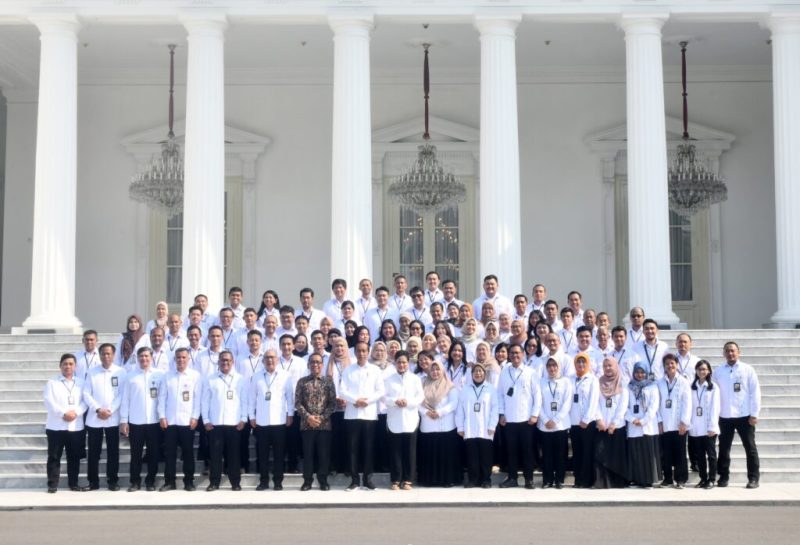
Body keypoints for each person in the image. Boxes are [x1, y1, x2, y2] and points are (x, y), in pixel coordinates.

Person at [715, 341, 761, 489]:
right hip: (725, 416)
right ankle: (723, 476)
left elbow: (755, 393)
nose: (730, 353)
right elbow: (714, 394)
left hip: (744, 415)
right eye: (727, 351)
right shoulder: (718, 371)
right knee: (723, 448)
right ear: (724, 354)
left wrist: (754, 414)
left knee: (750, 448)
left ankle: (753, 478)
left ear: (739, 352)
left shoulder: (747, 369)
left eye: (733, 351)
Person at [340, 342, 385, 490]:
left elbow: (380, 391)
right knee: (352, 448)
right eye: (358, 350)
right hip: (352, 415)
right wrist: (355, 400)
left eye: (364, 351)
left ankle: (367, 479)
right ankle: (354, 480)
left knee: (368, 448)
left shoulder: (375, 370)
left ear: (368, 352)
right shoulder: (348, 370)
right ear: (355, 352)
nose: (361, 353)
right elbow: (342, 390)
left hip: (369, 414)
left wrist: (367, 401)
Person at [249, 350, 295, 491]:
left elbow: (290, 397)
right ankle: (263, 481)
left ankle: (277, 481)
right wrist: (252, 416)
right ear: (263, 360)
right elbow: (252, 398)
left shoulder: (285, 376)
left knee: (279, 454)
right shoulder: (256, 377)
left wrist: (290, 415)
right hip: (261, 422)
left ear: (277, 359)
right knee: (262, 454)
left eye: (272, 357)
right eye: (267, 357)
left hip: (279, 421)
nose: (270, 360)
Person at [120, 347, 164, 491]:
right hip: (136, 421)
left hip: (154, 421)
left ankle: (150, 481)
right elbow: (125, 399)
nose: (144, 359)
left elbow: (163, 398)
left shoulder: (159, 375)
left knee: (153, 453)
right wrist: (123, 420)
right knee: (136, 453)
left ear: (151, 358)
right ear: (137, 358)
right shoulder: (130, 376)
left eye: (146, 356)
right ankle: (135, 481)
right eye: (141, 357)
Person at [202, 350, 248, 491]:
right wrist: (206, 420)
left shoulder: (240, 379)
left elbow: (245, 400)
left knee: (234, 455)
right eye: (222, 360)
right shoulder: (210, 379)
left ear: (232, 362)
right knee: (215, 455)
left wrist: (243, 418)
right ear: (219, 362)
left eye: (228, 360)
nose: (225, 362)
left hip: (234, 424)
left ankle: (235, 482)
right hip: (215, 424)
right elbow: (205, 401)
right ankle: (214, 482)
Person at [157, 347, 202, 491]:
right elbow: (162, 397)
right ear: (174, 359)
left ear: (188, 359)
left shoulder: (195, 376)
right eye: (178, 357)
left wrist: (195, 417)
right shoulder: (167, 376)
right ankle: (170, 481)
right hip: (170, 421)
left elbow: (197, 399)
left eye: (184, 357)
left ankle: (189, 481)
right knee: (170, 453)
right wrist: (162, 416)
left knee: (188, 453)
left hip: (187, 421)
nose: (181, 360)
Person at [44, 354, 89, 493]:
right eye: (65, 364)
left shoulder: (82, 382)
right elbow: (49, 401)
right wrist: (64, 413)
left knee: (74, 457)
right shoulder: (52, 383)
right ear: (60, 366)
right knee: (54, 456)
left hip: (76, 426)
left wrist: (75, 413)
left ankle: (73, 483)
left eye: (70, 364)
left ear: (75, 366)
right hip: (56, 426)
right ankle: (52, 484)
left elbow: (85, 401)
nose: (68, 366)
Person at [83, 343, 126, 491]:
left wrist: (111, 410)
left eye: (109, 354)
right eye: (103, 354)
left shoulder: (121, 372)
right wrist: (97, 409)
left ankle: (112, 481)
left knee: (113, 452)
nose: (106, 356)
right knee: (94, 452)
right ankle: (93, 482)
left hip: (112, 419)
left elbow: (122, 394)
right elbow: (86, 393)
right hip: (95, 419)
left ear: (113, 355)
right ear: (99, 355)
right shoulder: (92, 372)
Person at [497, 344, 540, 489]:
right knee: (511, 451)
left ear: (522, 354)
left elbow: (537, 395)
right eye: (512, 353)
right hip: (509, 419)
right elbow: (500, 394)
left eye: (517, 353)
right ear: (509, 355)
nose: (515, 355)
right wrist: (501, 413)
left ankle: (529, 479)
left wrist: (534, 414)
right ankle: (512, 478)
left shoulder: (530, 372)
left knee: (527, 451)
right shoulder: (504, 372)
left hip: (526, 419)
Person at [295, 353, 337, 491]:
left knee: (323, 454)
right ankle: (307, 481)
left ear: (322, 365)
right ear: (308, 365)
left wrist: (321, 418)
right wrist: (308, 417)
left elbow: (332, 403)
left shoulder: (328, 381)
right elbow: (298, 403)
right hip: (306, 425)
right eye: (312, 362)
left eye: (318, 362)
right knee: (308, 454)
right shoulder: (302, 382)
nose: (315, 365)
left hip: (324, 425)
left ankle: (323, 480)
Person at [418, 356, 462, 487]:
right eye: (433, 370)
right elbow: (418, 402)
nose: (435, 372)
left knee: (446, 455)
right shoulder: (422, 384)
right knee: (430, 454)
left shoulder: (449, 386)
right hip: (428, 424)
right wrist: (426, 412)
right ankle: (429, 480)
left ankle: (447, 480)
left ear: (442, 371)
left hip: (446, 425)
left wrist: (440, 412)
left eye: (438, 370)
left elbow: (454, 403)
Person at [383, 351, 424, 490]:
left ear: (408, 363)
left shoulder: (415, 379)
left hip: (410, 419)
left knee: (410, 451)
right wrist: (395, 401)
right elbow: (384, 398)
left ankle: (408, 479)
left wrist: (408, 402)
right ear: (395, 363)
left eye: (404, 362)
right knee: (395, 451)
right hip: (394, 419)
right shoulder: (389, 380)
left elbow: (420, 397)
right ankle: (395, 479)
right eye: (399, 362)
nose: (401, 365)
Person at [457, 363, 499, 488]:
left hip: (486, 428)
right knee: (472, 456)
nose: (478, 373)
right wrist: (460, 427)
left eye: (480, 371)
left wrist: (492, 425)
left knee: (486, 456)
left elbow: (495, 408)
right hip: (469, 427)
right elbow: (460, 410)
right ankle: (473, 480)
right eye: (475, 371)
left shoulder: (491, 389)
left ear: (484, 374)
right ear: (472, 374)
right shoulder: (465, 389)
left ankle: (486, 480)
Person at [656, 353, 692, 489]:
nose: (670, 366)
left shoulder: (683, 382)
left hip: (679, 425)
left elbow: (687, 403)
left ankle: (681, 479)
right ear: (664, 366)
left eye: (672, 363)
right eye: (667, 364)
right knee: (666, 453)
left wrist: (684, 422)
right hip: (665, 423)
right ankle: (668, 479)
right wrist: (659, 422)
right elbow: (657, 403)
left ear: (677, 365)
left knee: (680, 453)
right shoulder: (659, 382)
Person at [594, 357, 629, 489]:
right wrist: (599, 420)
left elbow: (623, 405)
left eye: (610, 365)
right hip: (601, 426)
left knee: (616, 455)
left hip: (617, 427)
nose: (608, 368)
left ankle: (617, 482)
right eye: (605, 366)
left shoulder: (622, 383)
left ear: (616, 366)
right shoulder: (598, 382)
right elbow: (595, 403)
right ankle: (602, 482)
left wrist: (614, 423)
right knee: (601, 454)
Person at [538, 357, 573, 488]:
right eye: (549, 366)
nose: (552, 368)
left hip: (561, 425)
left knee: (560, 454)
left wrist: (556, 419)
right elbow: (538, 402)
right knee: (547, 454)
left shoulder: (566, 382)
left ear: (559, 367)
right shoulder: (541, 382)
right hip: (545, 424)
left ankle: (559, 479)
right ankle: (547, 480)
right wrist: (546, 419)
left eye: (555, 366)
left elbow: (567, 403)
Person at [625, 362, 661, 488]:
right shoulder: (628, 387)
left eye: (642, 372)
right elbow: (625, 406)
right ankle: (635, 478)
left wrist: (643, 420)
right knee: (635, 453)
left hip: (648, 425)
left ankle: (648, 480)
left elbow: (653, 406)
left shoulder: (652, 387)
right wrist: (632, 419)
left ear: (646, 373)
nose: (640, 375)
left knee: (647, 454)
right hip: (633, 425)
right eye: (637, 372)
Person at [570, 352, 600, 488]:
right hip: (573, 422)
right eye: (578, 362)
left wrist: (586, 419)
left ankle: (586, 480)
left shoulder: (592, 379)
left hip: (587, 423)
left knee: (587, 452)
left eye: (583, 362)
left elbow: (593, 401)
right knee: (577, 452)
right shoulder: (569, 379)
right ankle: (578, 480)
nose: (581, 365)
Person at [690, 359, 720, 489]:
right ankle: (703, 478)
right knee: (700, 455)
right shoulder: (692, 387)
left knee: (711, 455)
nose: (702, 371)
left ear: (708, 371)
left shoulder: (713, 387)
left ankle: (712, 479)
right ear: (696, 371)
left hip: (709, 426)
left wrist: (712, 426)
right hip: (696, 426)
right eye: (699, 369)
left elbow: (715, 407)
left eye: (704, 369)